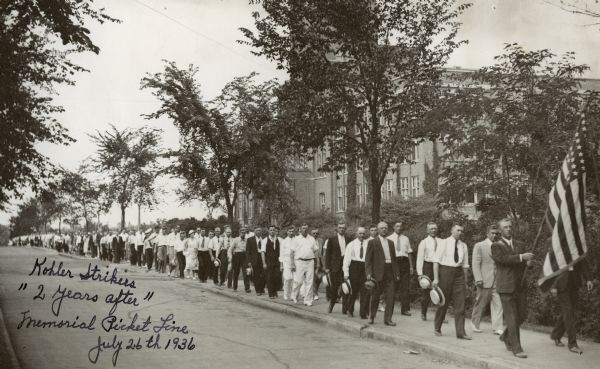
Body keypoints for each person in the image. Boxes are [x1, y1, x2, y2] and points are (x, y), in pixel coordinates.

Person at [491, 218, 532, 359]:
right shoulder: (496, 246)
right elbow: (504, 260)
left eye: (510, 226)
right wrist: (521, 257)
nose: (508, 229)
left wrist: (528, 263)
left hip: (520, 285)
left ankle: (505, 336)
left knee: (522, 315)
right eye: (505, 227)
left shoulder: (520, 244)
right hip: (506, 287)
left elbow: (523, 263)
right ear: (500, 230)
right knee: (512, 318)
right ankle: (517, 348)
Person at [432, 224, 471, 340]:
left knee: (460, 304)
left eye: (461, 231)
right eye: (458, 230)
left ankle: (461, 332)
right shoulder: (443, 243)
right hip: (445, 272)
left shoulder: (463, 246)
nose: (460, 232)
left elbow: (465, 265)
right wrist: (436, 278)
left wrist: (465, 281)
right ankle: (437, 327)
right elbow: (436, 261)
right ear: (451, 230)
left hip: (458, 274)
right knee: (443, 301)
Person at [550, 256, 594, 354]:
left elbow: (583, 263)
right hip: (561, 285)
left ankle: (556, 335)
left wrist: (588, 279)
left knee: (569, 312)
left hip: (574, 284)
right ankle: (572, 344)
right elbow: (551, 265)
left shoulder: (577, 244)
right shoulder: (556, 241)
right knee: (568, 311)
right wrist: (553, 285)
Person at [471, 225, 503, 335]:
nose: (494, 235)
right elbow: (476, 263)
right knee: (481, 303)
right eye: (492, 233)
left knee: (498, 304)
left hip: (497, 279)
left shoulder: (499, 246)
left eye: (496, 233)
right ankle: (475, 323)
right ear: (487, 233)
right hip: (484, 280)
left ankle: (497, 327)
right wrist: (478, 278)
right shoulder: (479, 246)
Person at [365, 221, 399, 325]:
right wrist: (369, 273)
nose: (384, 230)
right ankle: (372, 316)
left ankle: (388, 319)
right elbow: (368, 260)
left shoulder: (391, 243)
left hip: (390, 272)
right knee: (375, 296)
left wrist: (397, 273)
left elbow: (394, 260)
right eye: (381, 228)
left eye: (385, 228)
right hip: (377, 273)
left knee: (391, 296)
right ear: (378, 230)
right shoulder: (372, 242)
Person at [417, 222, 443, 321]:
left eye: (435, 228)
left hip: (439, 267)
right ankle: (423, 313)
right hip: (428, 266)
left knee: (440, 291)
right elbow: (419, 258)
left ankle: (440, 315)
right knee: (427, 291)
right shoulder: (424, 242)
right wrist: (420, 274)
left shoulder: (441, 241)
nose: (433, 230)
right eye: (431, 229)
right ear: (427, 230)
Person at [387, 222, 414, 316]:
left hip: (404, 262)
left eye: (400, 226)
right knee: (393, 287)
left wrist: (411, 266)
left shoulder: (406, 238)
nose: (399, 228)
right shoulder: (389, 238)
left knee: (405, 287)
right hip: (394, 262)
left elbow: (409, 252)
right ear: (393, 227)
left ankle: (405, 309)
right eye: (397, 226)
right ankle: (390, 308)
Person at [324, 221, 352, 313]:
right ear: (337, 229)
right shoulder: (331, 239)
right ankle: (331, 306)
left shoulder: (349, 239)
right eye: (340, 228)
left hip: (345, 267)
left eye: (343, 228)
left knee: (345, 288)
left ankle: (345, 309)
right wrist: (327, 267)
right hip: (334, 267)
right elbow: (327, 254)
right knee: (334, 288)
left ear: (345, 229)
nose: (342, 229)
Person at [343, 226, 369, 319]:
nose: (362, 235)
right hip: (354, 267)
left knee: (364, 291)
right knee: (353, 291)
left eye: (363, 233)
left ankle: (363, 313)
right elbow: (346, 260)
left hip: (364, 268)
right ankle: (350, 310)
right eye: (360, 233)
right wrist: (346, 273)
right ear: (356, 234)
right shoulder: (351, 244)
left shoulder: (368, 243)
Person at [291, 224, 319, 306]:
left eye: (306, 228)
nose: (305, 230)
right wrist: (292, 264)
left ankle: (308, 300)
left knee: (309, 281)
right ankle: (294, 295)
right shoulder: (296, 239)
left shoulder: (311, 239)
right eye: (303, 228)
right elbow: (292, 252)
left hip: (310, 261)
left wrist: (312, 257)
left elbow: (315, 250)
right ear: (300, 229)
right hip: (299, 261)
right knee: (298, 281)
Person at [228, 226, 250, 292]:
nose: (243, 234)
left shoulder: (247, 240)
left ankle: (247, 288)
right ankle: (235, 287)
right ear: (239, 233)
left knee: (246, 272)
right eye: (242, 232)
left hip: (244, 256)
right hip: (237, 256)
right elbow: (230, 249)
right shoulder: (236, 240)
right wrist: (230, 258)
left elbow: (248, 250)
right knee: (236, 272)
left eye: (244, 232)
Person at [261, 225, 281, 299]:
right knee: (269, 277)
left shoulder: (278, 239)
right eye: (271, 230)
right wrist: (264, 263)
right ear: (268, 231)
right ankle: (271, 293)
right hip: (268, 261)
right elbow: (263, 252)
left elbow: (281, 251)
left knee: (276, 276)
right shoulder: (265, 240)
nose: (272, 231)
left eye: (273, 230)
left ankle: (275, 291)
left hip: (276, 261)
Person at [246, 227, 265, 295]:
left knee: (263, 274)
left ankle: (262, 288)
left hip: (263, 258)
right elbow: (248, 251)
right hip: (255, 259)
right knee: (256, 275)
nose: (258, 232)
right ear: (254, 231)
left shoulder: (264, 239)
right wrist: (249, 261)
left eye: (259, 230)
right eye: (257, 230)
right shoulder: (250, 240)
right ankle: (258, 290)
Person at [280, 226, 295, 300]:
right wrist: (281, 265)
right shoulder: (284, 241)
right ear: (287, 232)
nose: (291, 233)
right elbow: (281, 253)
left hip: (295, 260)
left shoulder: (296, 240)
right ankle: (286, 294)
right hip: (286, 260)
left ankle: (293, 294)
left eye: (292, 231)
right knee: (287, 278)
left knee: (294, 279)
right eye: (290, 231)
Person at [312, 228, 325, 301]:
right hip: (312, 260)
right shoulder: (309, 241)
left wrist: (323, 263)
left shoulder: (321, 241)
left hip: (320, 261)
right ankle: (315, 293)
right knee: (313, 278)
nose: (315, 235)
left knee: (319, 278)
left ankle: (315, 291)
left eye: (316, 233)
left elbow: (322, 252)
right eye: (314, 233)